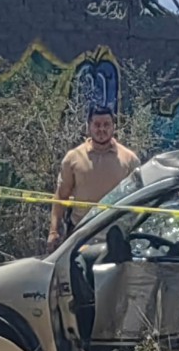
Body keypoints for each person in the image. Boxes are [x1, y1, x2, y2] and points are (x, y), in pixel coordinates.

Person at [47, 105, 140, 252]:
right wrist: (53, 231)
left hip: (116, 237)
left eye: (106, 125)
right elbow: (61, 196)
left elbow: (139, 200)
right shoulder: (73, 158)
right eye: (97, 125)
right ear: (88, 126)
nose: (101, 129)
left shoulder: (129, 160)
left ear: (114, 126)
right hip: (80, 233)